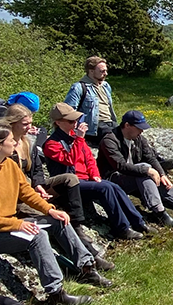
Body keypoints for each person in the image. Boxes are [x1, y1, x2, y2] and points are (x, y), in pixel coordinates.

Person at [0, 122, 111, 305]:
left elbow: (26, 192)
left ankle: (87, 269)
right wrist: (18, 225)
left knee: (58, 222)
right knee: (37, 236)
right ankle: (56, 293)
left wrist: (50, 210)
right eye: (11, 140)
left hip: (6, 225)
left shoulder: (9, 164)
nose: (16, 143)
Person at [1, 103, 127, 259]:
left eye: (31, 123)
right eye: (25, 124)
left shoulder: (28, 142)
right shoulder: (10, 147)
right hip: (20, 194)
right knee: (62, 215)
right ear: (12, 123)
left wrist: (39, 185)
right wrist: (79, 139)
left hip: (37, 187)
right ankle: (88, 256)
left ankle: (127, 225)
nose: (30, 127)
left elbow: (38, 170)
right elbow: (70, 161)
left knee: (108, 185)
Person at [40, 103, 150, 241]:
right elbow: (70, 160)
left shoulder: (75, 137)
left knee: (114, 187)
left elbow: (89, 159)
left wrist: (95, 175)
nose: (75, 123)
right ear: (58, 123)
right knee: (105, 188)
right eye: (70, 121)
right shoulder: (52, 144)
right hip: (69, 185)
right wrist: (79, 139)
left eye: (75, 120)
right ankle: (122, 229)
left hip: (85, 180)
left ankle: (138, 223)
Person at [98, 110, 173, 227]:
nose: (142, 131)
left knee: (157, 178)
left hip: (134, 177)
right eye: (139, 128)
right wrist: (148, 170)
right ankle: (159, 212)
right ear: (127, 125)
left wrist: (162, 174)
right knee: (146, 170)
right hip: (113, 180)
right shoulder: (109, 140)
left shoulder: (138, 138)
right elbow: (120, 166)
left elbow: (151, 157)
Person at [64, 56, 118, 147]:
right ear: (91, 71)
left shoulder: (106, 86)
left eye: (106, 70)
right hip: (94, 128)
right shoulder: (79, 87)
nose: (106, 73)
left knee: (130, 133)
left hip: (110, 123)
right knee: (114, 139)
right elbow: (68, 112)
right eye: (102, 71)